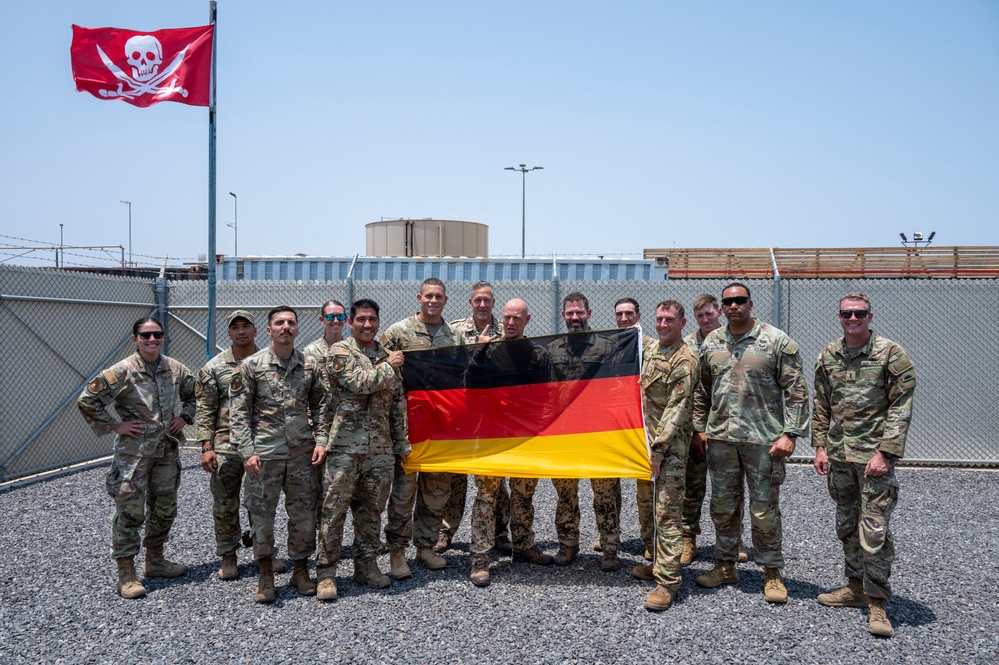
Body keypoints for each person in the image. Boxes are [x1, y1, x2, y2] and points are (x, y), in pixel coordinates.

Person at [691, 283, 809, 603]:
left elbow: (797, 392)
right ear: (721, 308)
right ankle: (726, 565)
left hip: (763, 441)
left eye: (739, 301)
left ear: (750, 304)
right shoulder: (712, 342)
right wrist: (700, 428)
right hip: (721, 439)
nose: (733, 306)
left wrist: (791, 433)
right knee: (723, 507)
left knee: (764, 510)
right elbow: (701, 391)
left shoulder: (776, 341)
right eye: (728, 302)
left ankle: (771, 572)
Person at [812, 292, 915, 637]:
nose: (852, 318)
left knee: (874, 532)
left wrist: (886, 453)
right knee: (846, 525)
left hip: (874, 460)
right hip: (840, 458)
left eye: (859, 313)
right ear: (839, 316)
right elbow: (822, 404)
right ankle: (855, 588)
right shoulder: (828, 355)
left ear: (871, 316)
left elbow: (901, 406)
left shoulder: (891, 354)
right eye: (846, 313)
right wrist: (820, 448)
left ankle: (877, 603)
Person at [77, 317, 195, 599]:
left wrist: (184, 416)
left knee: (165, 509)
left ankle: (155, 561)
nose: (152, 340)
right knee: (130, 512)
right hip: (134, 458)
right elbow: (87, 400)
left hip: (166, 453)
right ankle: (126, 574)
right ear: (135, 339)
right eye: (145, 335)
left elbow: (195, 394)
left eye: (157, 334)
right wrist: (115, 426)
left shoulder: (175, 368)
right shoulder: (123, 371)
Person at [230, 306, 327, 603]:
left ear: (297, 329)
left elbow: (322, 404)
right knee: (262, 517)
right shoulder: (251, 366)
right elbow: (238, 414)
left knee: (304, 515)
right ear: (269, 329)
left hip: (301, 455)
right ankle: (265, 574)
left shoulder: (309, 366)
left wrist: (321, 440)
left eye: (291, 323)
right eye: (279, 323)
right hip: (264, 456)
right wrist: (247, 452)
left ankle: (300, 570)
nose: (286, 327)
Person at [315, 299, 409, 601]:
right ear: (351, 322)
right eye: (361, 319)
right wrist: (389, 367)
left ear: (378, 322)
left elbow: (396, 405)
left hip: (379, 450)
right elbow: (359, 382)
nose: (367, 325)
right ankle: (327, 573)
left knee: (371, 513)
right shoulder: (341, 351)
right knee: (334, 512)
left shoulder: (384, 355)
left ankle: (366, 565)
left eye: (372, 319)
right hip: (344, 448)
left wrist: (401, 443)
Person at [468, 298, 555, 586]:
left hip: (524, 438)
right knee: (486, 497)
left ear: (527, 319)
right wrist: (478, 353)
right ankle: (481, 558)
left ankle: (523, 545)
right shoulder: (488, 350)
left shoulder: (538, 354)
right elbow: (468, 386)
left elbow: (546, 398)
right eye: (506, 317)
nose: (511, 322)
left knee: (523, 495)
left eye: (517, 317)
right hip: (492, 436)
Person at [380, 278, 454, 579]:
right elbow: (374, 356)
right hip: (408, 426)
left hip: (441, 427)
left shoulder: (453, 335)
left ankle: (425, 547)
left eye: (438, 297)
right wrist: (389, 360)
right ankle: (398, 553)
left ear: (445, 300)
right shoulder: (399, 332)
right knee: (403, 494)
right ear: (419, 298)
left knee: (436, 492)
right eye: (428, 296)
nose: (433, 301)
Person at [547, 292, 623, 571]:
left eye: (579, 313)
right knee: (566, 494)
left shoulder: (606, 347)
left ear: (589, 313)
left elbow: (618, 389)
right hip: (564, 436)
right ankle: (567, 544)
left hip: (598, 434)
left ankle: (610, 548)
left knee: (604, 494)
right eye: (570, 313)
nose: (575, 318)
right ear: (564, 315)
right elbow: (546, 393)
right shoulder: (552, 349)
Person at [436, 281, 513, 556]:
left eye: (487, 300)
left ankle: (500, 531)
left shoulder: (506, 331)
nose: (482, 305)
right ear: (470, 302)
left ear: (493, 303)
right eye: (478, 300)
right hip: (462, 416)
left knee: (494, 477)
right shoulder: (455, 330)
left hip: (494, 418)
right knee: (455, 477)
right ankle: (446, 531)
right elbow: (448, 368)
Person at [630, 301, 698, 611]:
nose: (663, 324)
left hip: (668, 449)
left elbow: (677, 410)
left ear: (682, 322)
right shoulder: (653, 350)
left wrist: (657, 451)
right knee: (654, 509)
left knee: (668, 514)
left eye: (670, 319)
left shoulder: (684, 359)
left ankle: (667, 583)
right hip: (647, 444)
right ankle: (660, 566)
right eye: (659, 318)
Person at [681, 294, 748, 566]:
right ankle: (688, 539)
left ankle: (734, 539)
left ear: (718, 312)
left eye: (709, 314)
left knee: (730, 488)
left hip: (728, 427)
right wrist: (697, 429)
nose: (706, 319)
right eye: (700, 316)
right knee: (691, 485)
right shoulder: (686, 345)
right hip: (694, 428)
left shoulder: (731, 341)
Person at [196, 310, 262, 581]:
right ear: (229, 334)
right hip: (226, 444)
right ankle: (228, 556)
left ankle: (262, 551)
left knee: (260, 502)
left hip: (262, 443)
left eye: (246, 326)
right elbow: (205, 408)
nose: (241, 331)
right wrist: (206, 446)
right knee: (225, 502)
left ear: (256, 330)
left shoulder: (267, 361)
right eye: (235, 327)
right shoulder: (215, 368)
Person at [601, 297, 654, 560]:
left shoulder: (652, 347)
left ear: (638, 314)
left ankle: (650, 539)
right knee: (609, 486)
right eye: (619, 314)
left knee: (646, 489)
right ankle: (610, 537)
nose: (624, 319)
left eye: (629, 313)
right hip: (613, 427)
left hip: (643, 428)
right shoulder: (609, 347)